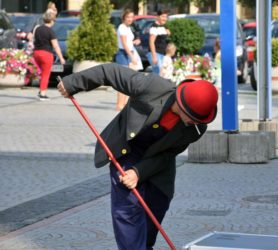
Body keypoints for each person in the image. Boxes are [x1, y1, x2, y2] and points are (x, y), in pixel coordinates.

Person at [57, 63, 218, 250]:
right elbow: (108, 72)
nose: (194, 123)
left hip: (158, 163)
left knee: (156, 207)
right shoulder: (152, 87)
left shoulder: (196, 128)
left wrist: (139, 173)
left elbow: (167, 155)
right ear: (182, 104)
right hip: (128, 149)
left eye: (200, 120)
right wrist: (73, 83)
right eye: (193, 118)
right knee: (128, 208)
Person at [33, 10, 65, 100]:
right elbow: (56, 46)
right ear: (52, 21)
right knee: (45, 74)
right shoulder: (50, 32)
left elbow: (32, 38)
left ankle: (41, 90)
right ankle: (42, 94)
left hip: (36, 53)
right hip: (46, 54)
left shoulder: (38, 29)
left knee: (41, 73)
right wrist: (61, 58)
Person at [115, 9, 142, 111]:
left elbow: (129, 42)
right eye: (128, 17)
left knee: (128, 81)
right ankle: (119, 104)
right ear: (124, 18)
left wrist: (135, 41)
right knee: (123, 81)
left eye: (132, 17)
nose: (130, 19)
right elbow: (124, 43)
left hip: (129, 53)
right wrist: (131, 56)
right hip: (123, 54)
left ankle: (125, 103)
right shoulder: (122, 27)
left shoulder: (128, 28)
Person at [147, 10, 170, 75]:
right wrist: (154, 57)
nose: (165, 19)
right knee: (158, 73)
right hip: (155, 53)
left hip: (162, 53)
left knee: (162, 74)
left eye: (166, 17)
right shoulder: (154, 27)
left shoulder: (164, 26)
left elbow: (168, 35)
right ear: (157, 17)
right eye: (163, 16)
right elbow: (151, 42)